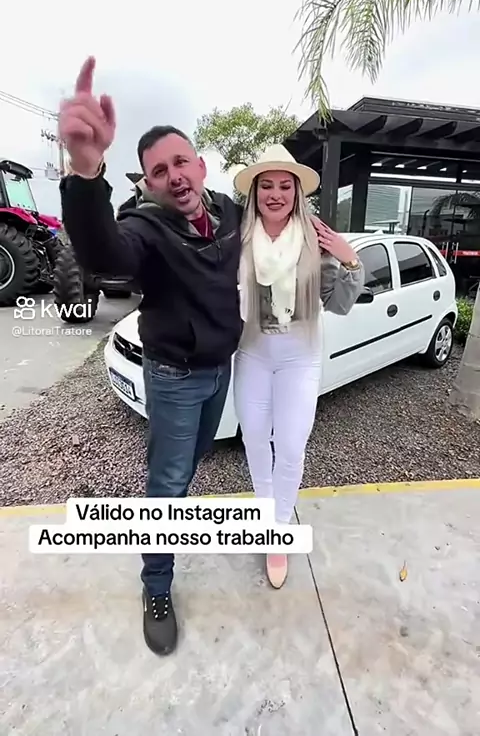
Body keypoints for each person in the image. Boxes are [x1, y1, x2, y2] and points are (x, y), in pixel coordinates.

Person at [58, 56, 243, 657]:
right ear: (148, 184)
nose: (174, 177)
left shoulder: (230, 213)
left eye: (181, 162)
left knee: (187, 469)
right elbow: (106, 256)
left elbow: (277, 237)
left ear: (201, 165)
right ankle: (156, 586)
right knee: (166, 486)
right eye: (159, 171)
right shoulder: (144, 227)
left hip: (220, 370)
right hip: (174, 376)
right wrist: (86, 173)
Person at [231, 145, 365, 588]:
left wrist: (348, 258)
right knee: (254, 440)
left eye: (285, 186)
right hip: (252, 354)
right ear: (255, 192)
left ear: (297, 193)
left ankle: (279, 531)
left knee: (289, 446)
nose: (275, 194)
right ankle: (268, 518)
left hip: (299, 358)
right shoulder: (238, 239)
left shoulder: (314, 241)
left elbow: (338, 303)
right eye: (266, 185)